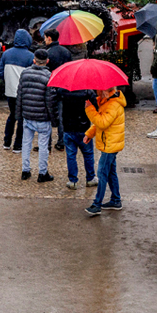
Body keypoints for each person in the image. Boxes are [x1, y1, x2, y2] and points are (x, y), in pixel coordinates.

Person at [15, 49, 58, 182]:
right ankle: (42, 173)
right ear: (47, 61)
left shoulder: (25, 73)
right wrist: (54, 119)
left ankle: (25, 170)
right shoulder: (48, 76)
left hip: (27, 115)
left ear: (34, 60)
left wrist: (18, 115)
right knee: (43, 145)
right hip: (43, 117)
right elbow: (50, 100)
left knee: (26, 143)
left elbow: (20, 95)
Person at [83, 86, 126, 216]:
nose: (96, 92)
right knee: (111, 172)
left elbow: (102, 122)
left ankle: (97, 205)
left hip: (109, 145)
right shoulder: (106, 102)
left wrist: (89, 109)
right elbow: (100, 123)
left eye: (98, 90)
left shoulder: (112, 105)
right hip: (109, 143)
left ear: (104, 90)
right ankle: (115, 200)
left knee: (102, 173)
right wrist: (89, 134)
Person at [0, 29, 34, 153]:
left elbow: (0, 72)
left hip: (10, 90)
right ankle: (18, 145)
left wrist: (8, 80)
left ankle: (6, 142)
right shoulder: (30, 56)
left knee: (12, 115)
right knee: (22, 118)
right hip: (23, 92)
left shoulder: (6, 54)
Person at [57, 88, 98, 190]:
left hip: (68, 128)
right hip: (84, 128)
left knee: (71, 155)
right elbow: (97, 107)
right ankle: (90, 178)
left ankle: (73, 180)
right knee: (88, 154)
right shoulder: (88, 92)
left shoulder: (63, 91)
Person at [44, 28, 72, 150]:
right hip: (64, 87)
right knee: (62, 116)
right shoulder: (66, 52)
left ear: (49, 38)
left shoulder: (48, 53)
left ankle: (47, 143)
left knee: (48, 116)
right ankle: (61, 141)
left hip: (51, 87)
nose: (44, 40)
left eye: (45, 38)